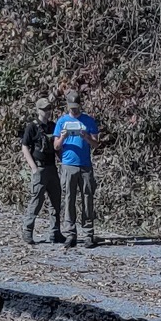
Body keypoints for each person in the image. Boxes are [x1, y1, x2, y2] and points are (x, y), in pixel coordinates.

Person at [53, 93, 100, 247]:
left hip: (85, 165)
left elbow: (96, 144)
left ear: (80, 105)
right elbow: (56, 146)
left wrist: (86, 136)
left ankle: (88, 234)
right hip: (68, 165)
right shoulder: (62, 121)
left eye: (76, 107)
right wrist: (63, 137)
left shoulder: (88, 121)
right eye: (71, 108)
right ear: (67, 106)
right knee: (69, 199)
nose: (74, 110)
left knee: (87, 199)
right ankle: (70, 234)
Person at [18, 101, 63, 242]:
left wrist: (62, 161)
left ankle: (55, 232)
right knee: (36, 200)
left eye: (49, 108)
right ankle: (28, 230)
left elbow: (57, 147)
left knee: (55, 201)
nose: (47, 112)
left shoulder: (53, 126)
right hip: (40, 168)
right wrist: (33, 168)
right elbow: (25, 147)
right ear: (38, 110)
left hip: (52, 168)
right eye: (44, 109)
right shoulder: (32, 127)